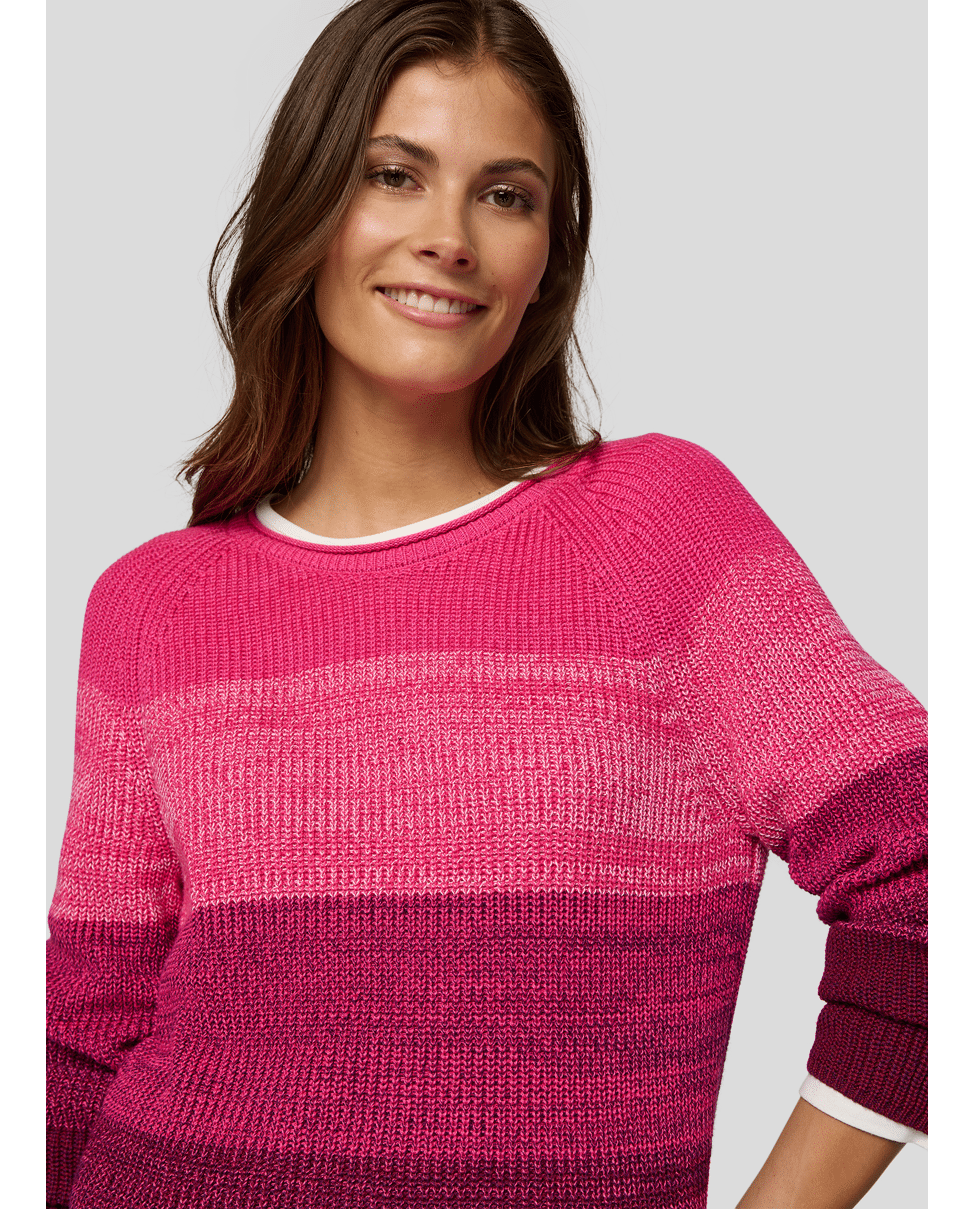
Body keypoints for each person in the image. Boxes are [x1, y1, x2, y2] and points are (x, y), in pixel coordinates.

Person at [45, 1, 927, 1206]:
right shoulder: (151, 603)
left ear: (545, 257)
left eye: (505, 196)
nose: (447, 237)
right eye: (393, 175)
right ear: (308, 205)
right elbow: (76, 1044)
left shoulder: (655, 529)